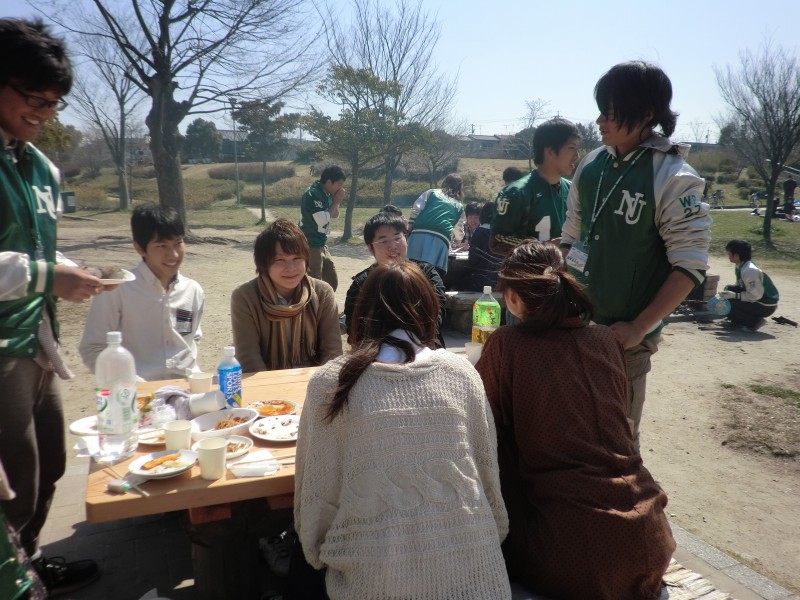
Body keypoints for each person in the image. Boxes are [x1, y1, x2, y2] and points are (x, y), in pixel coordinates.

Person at [295, 261, 511, 600]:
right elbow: (489, 483)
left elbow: (315, 501)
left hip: (373, 584)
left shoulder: (330, 382)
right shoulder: (462, 373)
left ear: (362, 313)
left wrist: (320, 554)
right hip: (481, 577)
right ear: (430, 311)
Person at [476, 241, 675, 600]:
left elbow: (481, 423)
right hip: (652, 537)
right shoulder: (605, 339)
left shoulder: (507, 344)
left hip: (577, 552)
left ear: (513, 298)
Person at [560, 60, 711, 449]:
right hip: (576, 324)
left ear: (646, 114)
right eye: (600, 110)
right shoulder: (591, 163)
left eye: (610, 112)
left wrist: (639, 327)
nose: (599, 121)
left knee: (617, 440)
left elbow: (690, 266)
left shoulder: (673, 176)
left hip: (624, 339)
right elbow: (571, 236)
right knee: (572, 428)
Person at [0, 17, 101, 595]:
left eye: (53, 102)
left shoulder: (39, 165)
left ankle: (32, 561)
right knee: (12, 480)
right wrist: (47, 275)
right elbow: (31, 264)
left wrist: (67, 272)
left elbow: (34, 246)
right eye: (32, 97)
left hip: (36, 340)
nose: (43, 111)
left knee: (48, 464)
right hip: (1, 348)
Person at [79, 203, 204, 380]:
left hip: (186, 386)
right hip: (137, 388)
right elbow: (92, 348)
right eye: (161, 246)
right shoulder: (117, 288)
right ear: (139, 248)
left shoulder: (192, 290)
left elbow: (192, 338)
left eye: (178, 243)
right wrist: (130, 382)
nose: (174, 254)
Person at [231, 218, 342, 372]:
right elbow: (248, 358)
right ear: (264, 264)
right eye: (280, 260)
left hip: (313, 379)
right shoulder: (245, 297)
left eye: (297, 258)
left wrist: (318, 383)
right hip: (265, 379)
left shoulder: (322, 293)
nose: (290, 268)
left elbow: (332, 353)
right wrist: (276, 386)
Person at [344, 210, 446, 346]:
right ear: (370, 248)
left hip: (424, 348)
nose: (392, 246)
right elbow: (355, 330)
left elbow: (437, 317)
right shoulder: (361, 284)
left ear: (406, 239)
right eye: (383, 241)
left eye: (397, 238)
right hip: (376, 353)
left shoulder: (427, 274)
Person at [490, 118, 580, 255]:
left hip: (565, 269)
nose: (577, 156)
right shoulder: (517, 193)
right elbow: (497, 241)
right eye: (571, 148)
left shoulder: (573, 190)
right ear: (549, 151)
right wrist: (545, 247)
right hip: (529, 269)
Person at [298, 165, 346, 291]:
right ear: (329, 182)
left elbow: (334, 215)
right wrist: (336, 201)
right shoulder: (314, 194)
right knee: (314, 283)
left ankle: (325, 301)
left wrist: (335, 200)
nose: (341, 188)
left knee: (331, 280)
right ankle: (312, 303)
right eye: (339, 184)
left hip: (320, 243)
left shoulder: (326, 193)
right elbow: (322, 220)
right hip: (311, 243)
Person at [406, 173, 465, 273]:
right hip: (440, 240)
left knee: (411, 270)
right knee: (433, 273)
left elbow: (417, 208)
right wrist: (459, 239)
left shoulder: (432, 192)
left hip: (418, 234)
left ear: (444, 183)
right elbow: (459, 228)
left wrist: (410, 225)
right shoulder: (459, 207)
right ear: (460, 188)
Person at [719, 240, 779, 330]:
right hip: (757, 299)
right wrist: (729, 293)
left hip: (765, 305)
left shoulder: (750, 271)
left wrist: (734, 296)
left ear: (736, 256)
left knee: (729, 304)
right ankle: (736, 321)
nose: (728, 256)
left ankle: (754, 322)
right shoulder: (740, 265)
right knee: (729, 289)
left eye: (729, 254)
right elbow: (741, 286)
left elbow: (755, 295)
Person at [457, 201, 503, 292]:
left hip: (482, 282)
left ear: (482, 215)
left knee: (456, 282)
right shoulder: (503, 234)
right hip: (500, 282)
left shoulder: (479, 232)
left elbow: (472, 261)